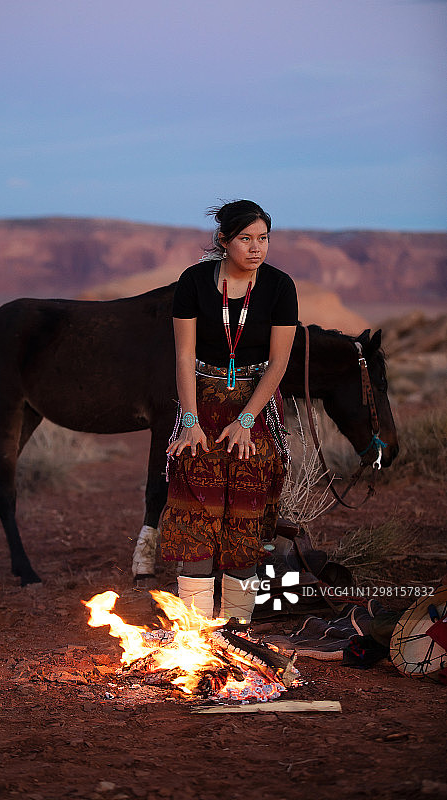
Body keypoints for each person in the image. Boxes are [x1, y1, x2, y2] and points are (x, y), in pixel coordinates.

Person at [160, 199, 298, 624]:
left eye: (263, 239)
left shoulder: (279, 286)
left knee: (247, 514)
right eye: (246, 239)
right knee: (194, 511)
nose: (256, 248)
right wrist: (188, 419)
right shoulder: (195, 281)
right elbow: (184, 355)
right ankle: (196, 632)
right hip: (200, 404)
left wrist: (247, 419)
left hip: (255, 408)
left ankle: (238, 630)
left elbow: (278, 363)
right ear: (224, 241)